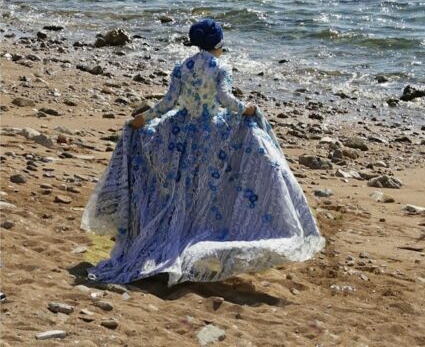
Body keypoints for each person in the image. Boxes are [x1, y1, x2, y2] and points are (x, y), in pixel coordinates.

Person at [81, 18, 325, 285]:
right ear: (217, 45)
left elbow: (169, 103)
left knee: (182, 189)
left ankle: (180, 231)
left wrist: (145, 119)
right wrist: (247, 110)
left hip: (180, 131)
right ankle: (204, 234)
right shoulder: (220, 67)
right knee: (210, 186)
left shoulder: (182, 66)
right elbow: (223, 99)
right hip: (209, 132)